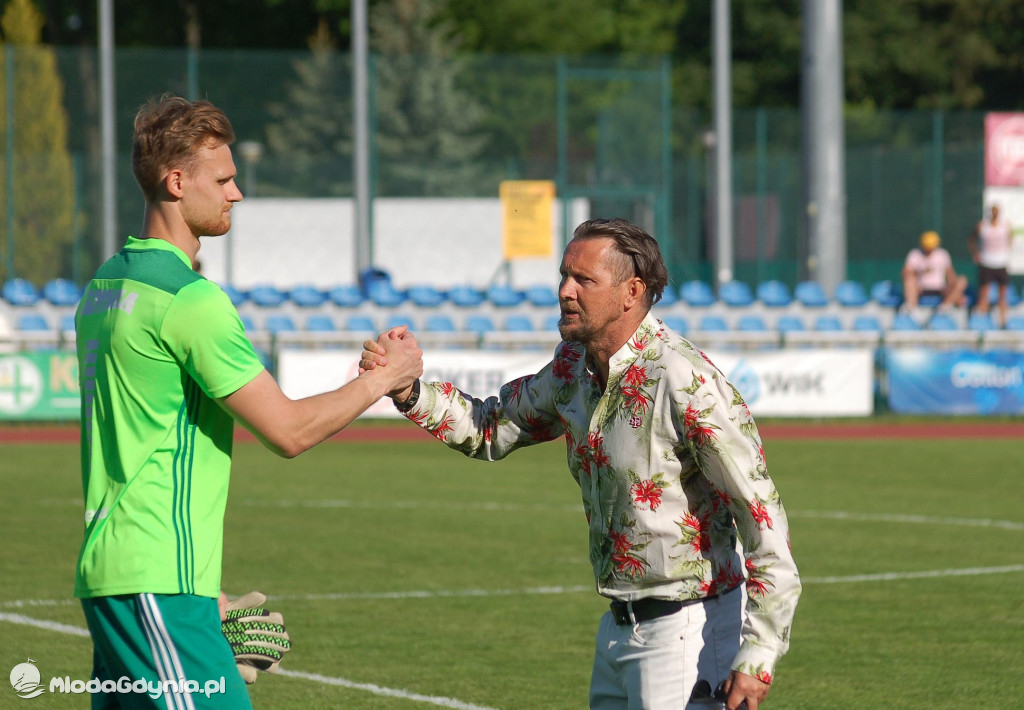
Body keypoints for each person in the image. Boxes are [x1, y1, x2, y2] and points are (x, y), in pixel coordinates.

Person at [361, 218, 800, 710]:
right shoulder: (574, 366)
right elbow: (490, 428)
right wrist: (407, 389)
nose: (565, 292)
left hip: (688, 630)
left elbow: (763, 521)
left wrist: (758, 652)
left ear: (632, 291)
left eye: (584, 280)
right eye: (564, 276)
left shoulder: (686, 382)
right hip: (617, 625)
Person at [74, 94, 422, 709]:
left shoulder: (106, 286)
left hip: (121, 575)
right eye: (225, 179)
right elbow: (288, 431)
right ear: (176, 182)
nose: (237, 194)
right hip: (159, 582)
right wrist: (382, 378)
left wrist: (205, 596)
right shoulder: (190, 299)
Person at [968, 203, 1013, 327]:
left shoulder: (1005, 225)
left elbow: (1011, 238)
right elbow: (971, 240)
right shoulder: (982, 226)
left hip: (1001, 263)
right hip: (986, 262)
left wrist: (1006, 252)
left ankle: (1003, 322)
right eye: (993, 211)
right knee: (984, 294)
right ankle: (981, 322)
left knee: (1003, 295)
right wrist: (976, 253)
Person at [900, 230, 968, 312]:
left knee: (962, 280)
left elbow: (951, 276)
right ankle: (911, 309)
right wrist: (920, 272)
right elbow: (905, 273)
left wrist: (956, 292)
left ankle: (944, 308)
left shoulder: (943, 254)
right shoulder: (915, 254)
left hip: (940, 289)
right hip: (920, 289)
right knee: (909, 280)